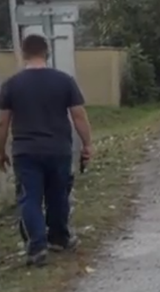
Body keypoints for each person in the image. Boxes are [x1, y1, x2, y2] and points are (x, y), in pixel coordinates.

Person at [0, 34, 94, 266]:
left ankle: (37, 247)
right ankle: (59, 238)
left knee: (29, 198)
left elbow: (3, 122)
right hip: (58, 149)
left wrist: (1, 150)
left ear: (24, 53)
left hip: (25, 151)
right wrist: (87, 144)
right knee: (58, 195)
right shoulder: (64, 81)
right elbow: (79, 116)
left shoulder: (11, 84)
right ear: (47, 52)